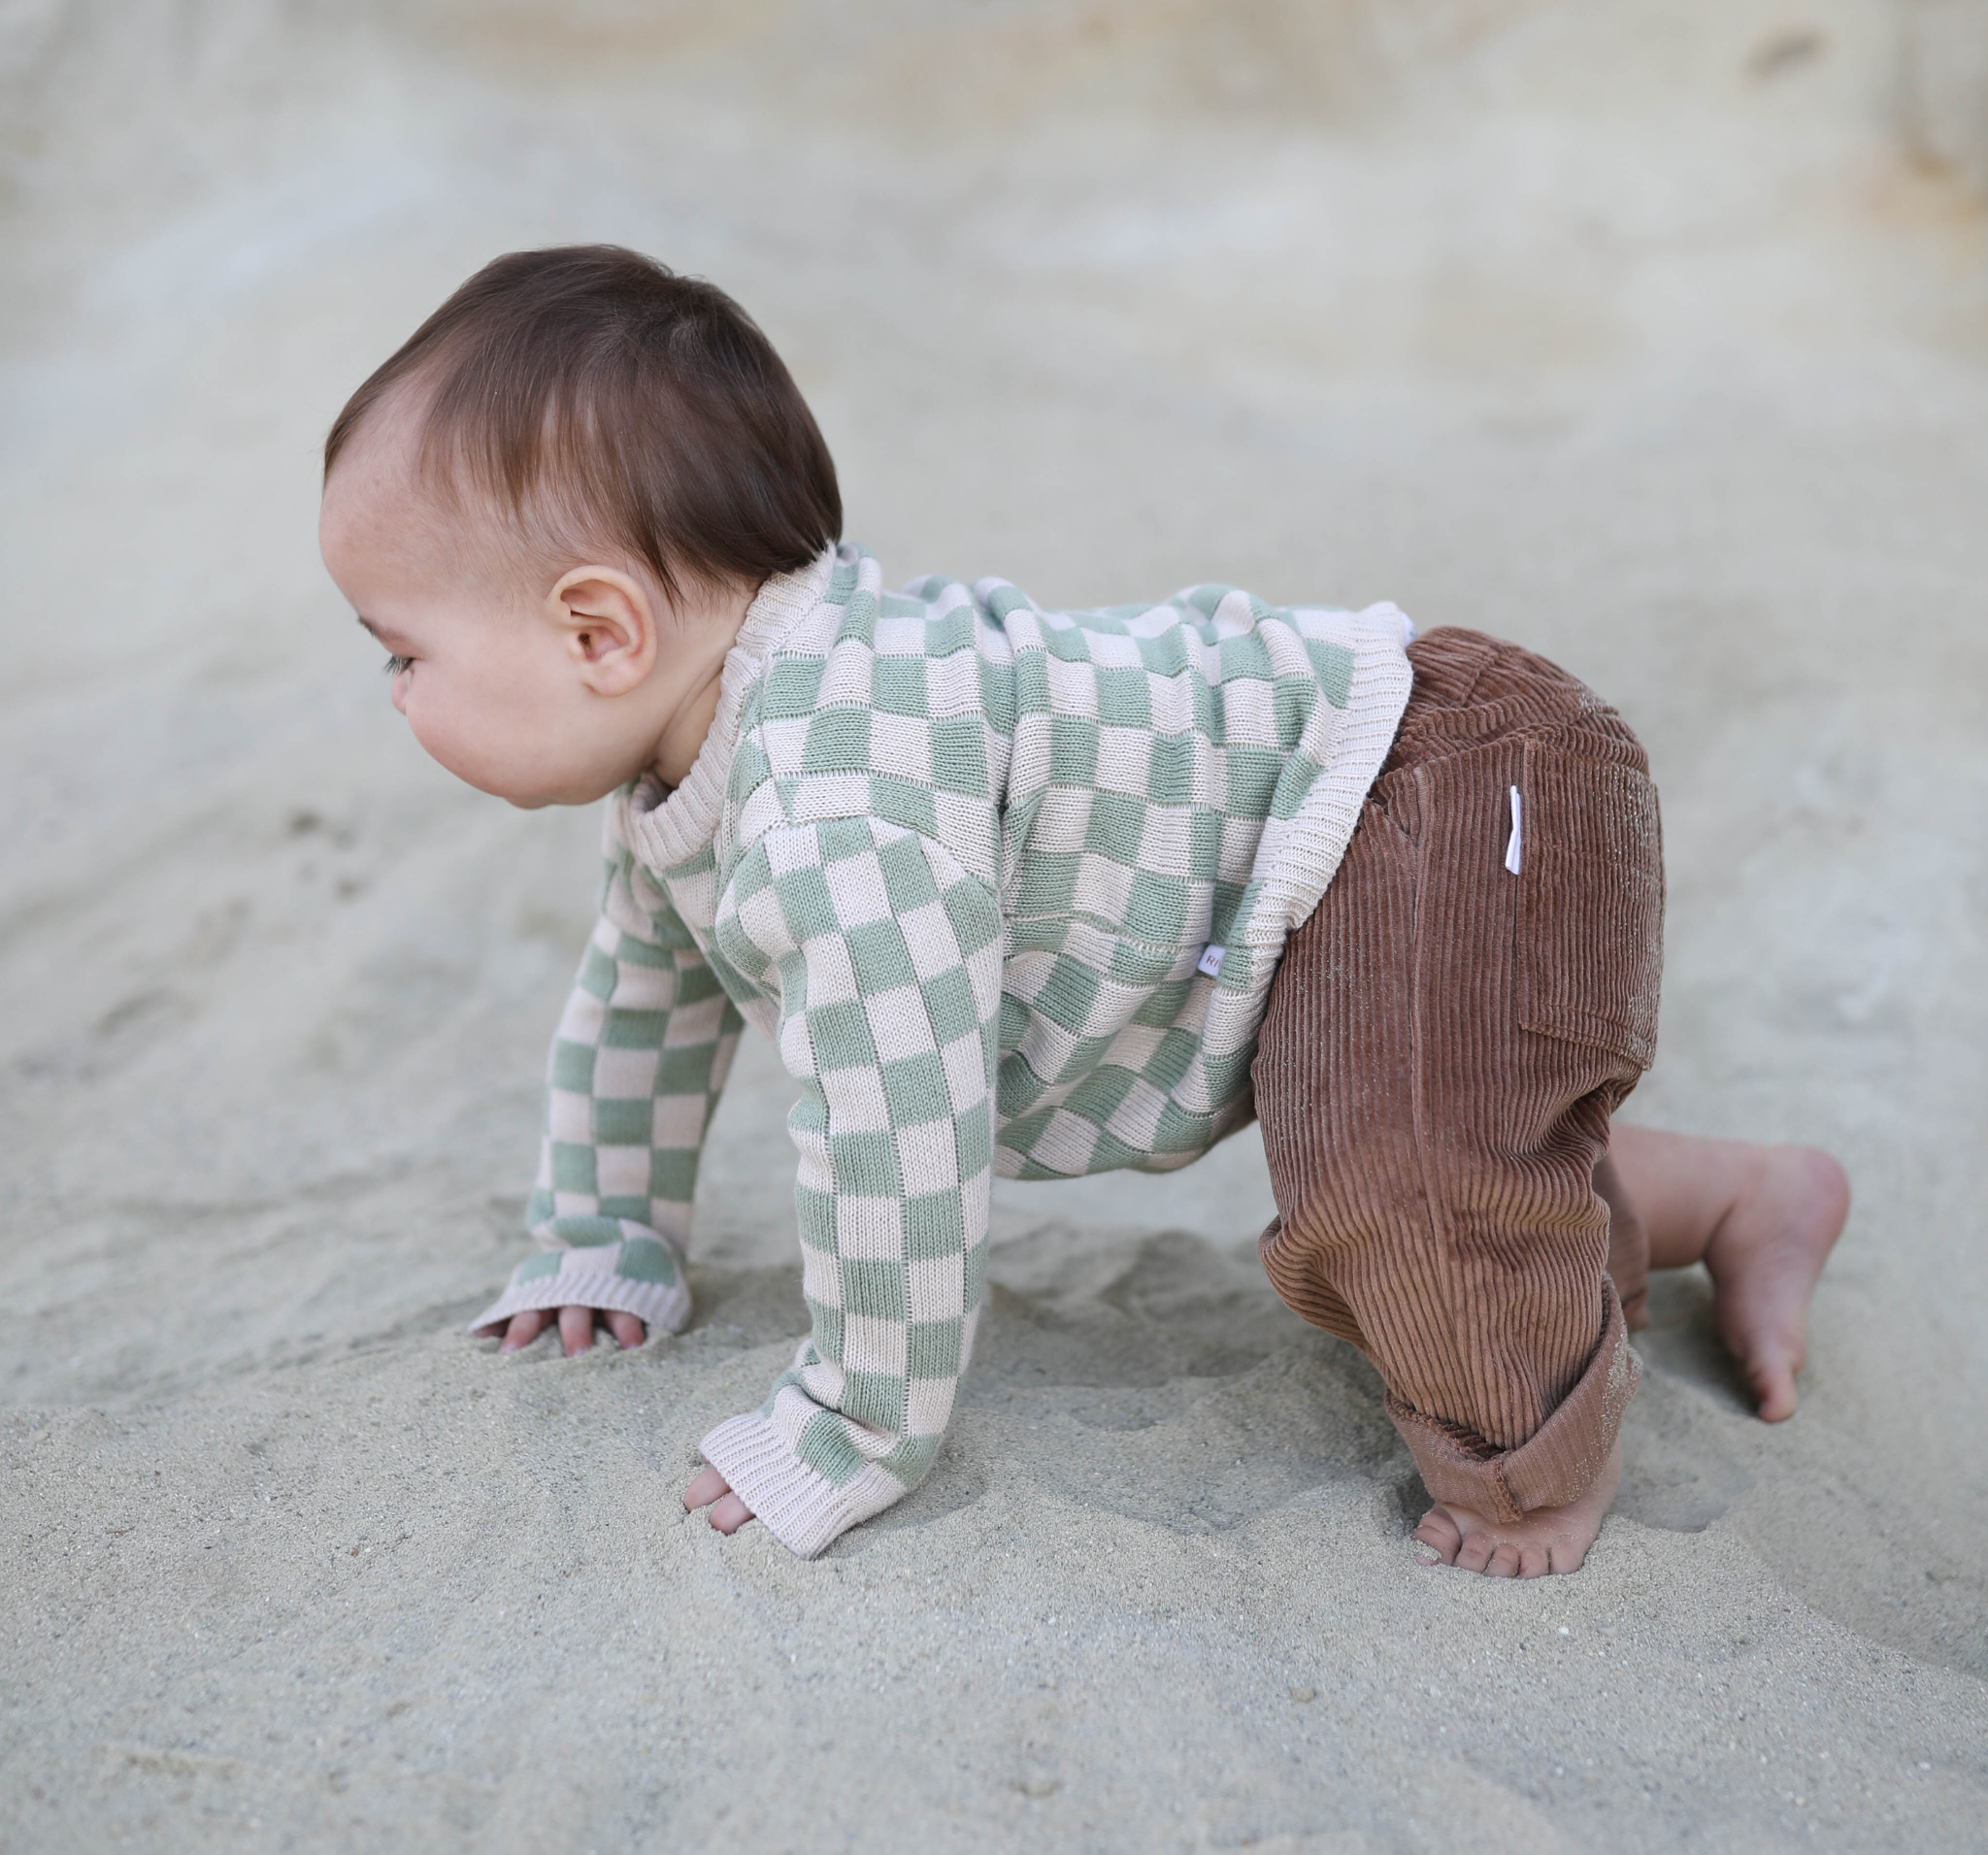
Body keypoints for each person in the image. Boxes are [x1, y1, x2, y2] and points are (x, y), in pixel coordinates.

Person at [317, 246, 1849, 1578]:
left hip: (1442, 783)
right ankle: (1737, 1198)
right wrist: (601, 1235)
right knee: (1448, 1110)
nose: (393, 693)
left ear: (599, 631)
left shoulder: (841, 809)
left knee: (1397, 1184)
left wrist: (858, 1420)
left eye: (402, 653)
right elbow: (642, 1002)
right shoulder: (706, 753)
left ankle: (1538, 1469)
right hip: (1355, 822)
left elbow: (899, 1137)